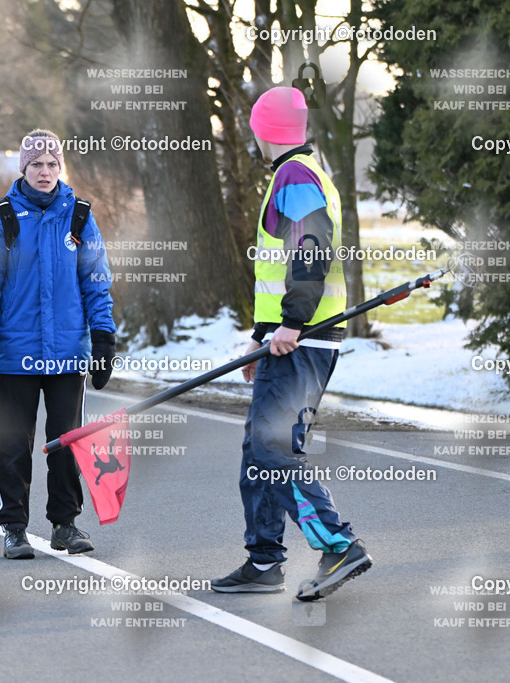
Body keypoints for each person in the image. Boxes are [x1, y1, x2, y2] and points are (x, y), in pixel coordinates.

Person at [211, 87, 372, 601]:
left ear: (264, 131)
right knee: (259, 446)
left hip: (305, 338)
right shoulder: (297, 172)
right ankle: (264, 560)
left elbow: (311, 246)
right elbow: (279, 268)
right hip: (291, 338)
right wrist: (262, 337)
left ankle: (339, 544)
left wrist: (293, 322)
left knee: (274, 447)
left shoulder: (296, 176)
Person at [0, 129, 116, 560]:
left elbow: (96, 282)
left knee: (67, 442)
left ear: (60, 167)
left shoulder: (80, 217)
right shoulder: (2, 217)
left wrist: (104, 338)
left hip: (67, 355)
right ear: (24, 168)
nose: (45, 171)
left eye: (52, 164)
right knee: (14, 446)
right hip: (14, 356)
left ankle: (65, 524)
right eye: (36, 164)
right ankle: (14, 528)